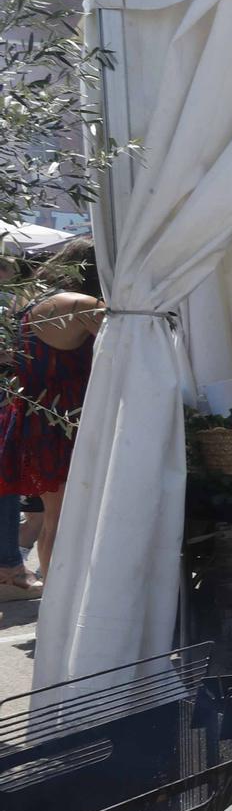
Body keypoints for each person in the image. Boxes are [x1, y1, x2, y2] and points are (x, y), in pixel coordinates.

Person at [0, 239, 102, 591]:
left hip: (37, 420)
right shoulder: (82, 305)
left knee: (54, 520)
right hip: (67, 423)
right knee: (69, 519)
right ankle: (66, 600)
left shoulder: (31, 305)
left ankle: (57, 604)